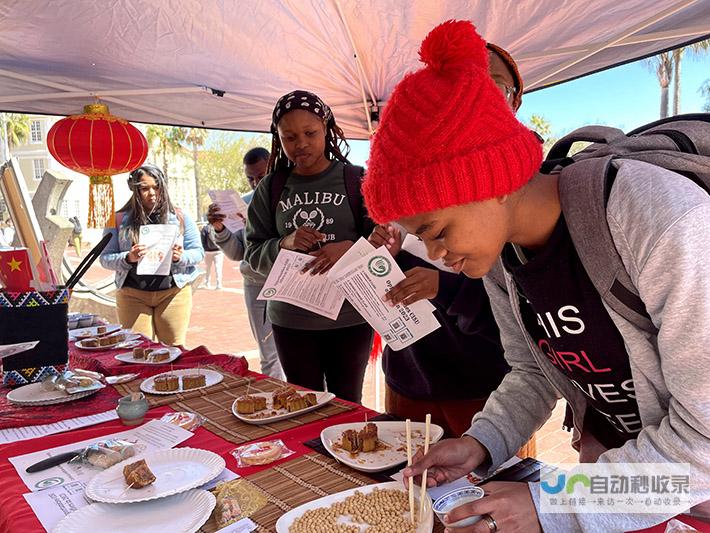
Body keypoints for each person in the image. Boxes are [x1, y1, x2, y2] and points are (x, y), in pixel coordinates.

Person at [362, 20, 709, 532]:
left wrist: (556, 502)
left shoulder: (654, 217)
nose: (435, 253)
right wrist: (482, 444)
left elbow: (704, 446)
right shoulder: (507, 258)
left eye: (436, 230)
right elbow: (531, 373)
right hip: (621, 481)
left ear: (494, 180)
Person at [368, 42, 529, 440]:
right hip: (412, 371)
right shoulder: (414, 177)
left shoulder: (530, 209)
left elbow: (525, 342)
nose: (436, 251)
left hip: (481, 383)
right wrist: (385, 257)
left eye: (496, 87)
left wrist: (447, 288)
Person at [245, 91, 375, 403]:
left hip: (350, 317)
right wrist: (284, 244)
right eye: (289, 137)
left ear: (327, 128)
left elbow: (383, 245)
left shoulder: (356, 179)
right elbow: (252, 255)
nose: (300, 144)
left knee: (348, 405)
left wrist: (348, 248)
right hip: (292, 321)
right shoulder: (271, 187)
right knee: (304, 405)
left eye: (310, 133)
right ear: (278, 138)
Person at [100, 164, 203, 346]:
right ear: (135, 190)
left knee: (175, 349)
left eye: (157, 187)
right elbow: (105, 258)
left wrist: (181, 257)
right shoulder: (118, 219)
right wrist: (128, 258)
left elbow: (197, 252)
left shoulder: (179, 216)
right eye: (145, 188)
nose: (152, 193)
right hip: (132, 295)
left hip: (173, 293)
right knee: (138, 350)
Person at [207, 147, 284, 380]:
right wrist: (219, 229)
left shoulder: (291, 196)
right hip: (256, 284)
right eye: (250, 178)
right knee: (270, 356)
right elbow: (237, 252)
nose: (255, 183)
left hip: (289, 283)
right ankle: (277, 406)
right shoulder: (244, 203)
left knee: (305, 354)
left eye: (261, 176)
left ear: (273, 166)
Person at [200, 222, 223, 289]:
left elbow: (202, 240)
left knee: (208, 268)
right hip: (218, 250)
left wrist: (205, 249)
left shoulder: (205, 228)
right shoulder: (219, 226)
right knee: (218, 268)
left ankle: (207, 283)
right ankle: (219, 284)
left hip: (208, 252)